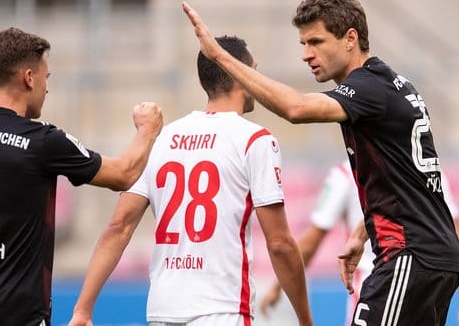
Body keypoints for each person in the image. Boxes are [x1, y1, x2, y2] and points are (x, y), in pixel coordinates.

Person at [183, 0, 459, 325]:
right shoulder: (393, 85)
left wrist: (219, 56)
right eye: (303, 43)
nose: (305, 54)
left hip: (410, 255)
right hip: (428, 255)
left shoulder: (368, 88)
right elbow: (409, 182)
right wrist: (363, 232)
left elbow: (296, 108)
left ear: (350, 38)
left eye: (315, 42)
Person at [0, 27, 163, 326]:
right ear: (29, 78)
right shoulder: (41, 140)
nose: (46, 89)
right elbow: (124, 174)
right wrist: (147, 130)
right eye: (46, 78)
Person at [68, 36, 312, 326]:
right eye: (253, 70)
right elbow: (280, 243)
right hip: (222, 308)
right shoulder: (255, 140)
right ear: (240, 75)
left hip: (163, 310)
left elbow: (119, 227)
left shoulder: (160, 139)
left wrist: (82, 310)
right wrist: (305, 321)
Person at [259, 161, 459, 326]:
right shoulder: (428, 169)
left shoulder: (346, 175)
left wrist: (279, 286)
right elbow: (453, 236)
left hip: (373, 293)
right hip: (420, 291)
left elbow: (312, 241)